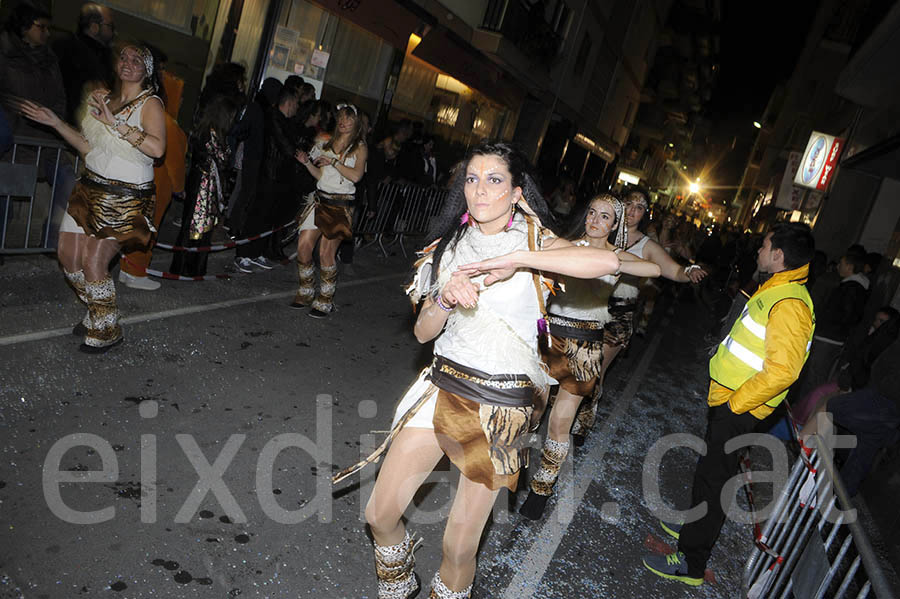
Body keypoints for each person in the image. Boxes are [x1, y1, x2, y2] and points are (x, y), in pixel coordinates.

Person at [332, 140, 621, 598]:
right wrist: (444, 298)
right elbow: (424, 334)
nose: (480, 190)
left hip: (502, 406)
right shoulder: (447, 247)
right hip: (442, 387)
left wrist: (517, 260)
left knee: (458, 547)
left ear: (516, 191)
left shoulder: (534, 240)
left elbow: (606, 261)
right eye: (472, 178)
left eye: (494, 180)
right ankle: (401, 583)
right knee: (379, 515)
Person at [643, 223, 816, 586]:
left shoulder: (789, 302)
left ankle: (691, 563)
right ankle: (693, 529)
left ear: (778, 255)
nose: (758, 251)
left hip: (740, 406)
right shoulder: (778, 289)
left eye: (764, 246)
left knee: (714, 481)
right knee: (710, 473)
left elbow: (783, 371)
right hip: (731, 401)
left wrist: (737, 404)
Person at [519, 193, 660, 520]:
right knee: (531, 412)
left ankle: (542, 487)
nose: (596, 220)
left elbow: (654, 267)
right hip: (550, 336)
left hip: (586, 344)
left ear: (615, 224)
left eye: (605, 217)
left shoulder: (617, 256)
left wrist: (616, 260)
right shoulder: (568, 246)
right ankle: (515, 468)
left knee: (560, 422)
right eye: (592, 213)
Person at [17, 44, 166, 352]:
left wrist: (117, 124)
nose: (127, 63)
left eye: (136, 60)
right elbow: (88, 147)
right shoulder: (102, 98)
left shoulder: (150, 103)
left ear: (147, 69)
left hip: (125, 196)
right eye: (124, 57)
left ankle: (107, 327)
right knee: (68, 256)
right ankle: (102, 310)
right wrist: (55, 123)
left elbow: (157, 149)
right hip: (90, 187)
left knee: (93, 260)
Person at [570, 187, 707, 445]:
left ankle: (583, 420)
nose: (633, 211)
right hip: (586, 306)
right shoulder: (597, 228)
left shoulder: (647, 245)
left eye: (640, 207)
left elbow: (673, 270)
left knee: (595, 370)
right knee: (574, 366)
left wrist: (689, 271)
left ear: (645, 213)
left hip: (618, 314)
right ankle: (565, 412)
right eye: (629, 204)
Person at [0, 2, 74, 248]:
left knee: (68, 179)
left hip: (47, 139)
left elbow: (61, 96)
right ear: (23, 27)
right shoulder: (4, 51)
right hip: (15, 138)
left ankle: (51, 241)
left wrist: (53, 121)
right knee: (6, 193)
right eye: (41, 27)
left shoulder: (49, 58)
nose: (47, 32)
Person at [118, 47, 187, 289]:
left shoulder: (133, 105)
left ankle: (129, 269)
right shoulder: (163, 116)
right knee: (146, 228)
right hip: (155, 182)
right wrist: (180, 186)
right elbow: (174, 158)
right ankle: (135, 273)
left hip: (133, 178)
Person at [292, 103, 367, 318]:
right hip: (318, 200)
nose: (343, 122)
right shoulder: (325, 142)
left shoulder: (359, 147)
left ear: (356, 122)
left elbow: (356, 176)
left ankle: (325, 298)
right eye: (341, 117)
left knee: (326, 253)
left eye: (348, 118)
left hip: (339, 205)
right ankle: (306, 290)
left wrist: (333, 161)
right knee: (304, 246)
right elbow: (321, 176)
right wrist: (307, 163)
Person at [169, 94, 239, 277]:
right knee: (193, 227)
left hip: (207, 186)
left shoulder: (212, 132)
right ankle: (184, 267)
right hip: (201, 185)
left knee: (203, 228)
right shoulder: (209, 134)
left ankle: (194, 268)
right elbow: (222, 159)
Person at [52, 2, 115, 124]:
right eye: (110, 26)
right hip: (70, 118)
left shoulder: (106, 54)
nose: (114, 32)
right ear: (94, 27)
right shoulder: (68, 47)